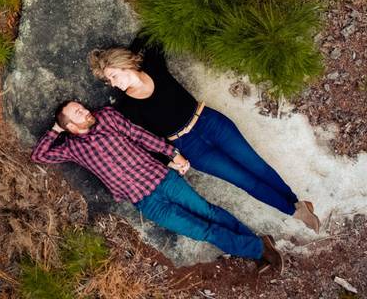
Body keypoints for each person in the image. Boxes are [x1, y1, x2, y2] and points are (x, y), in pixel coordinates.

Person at [89, 42, 320, 232]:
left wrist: (127, 54)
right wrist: (170, 160)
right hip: (189, 146)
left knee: (255, 165)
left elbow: (151, 36)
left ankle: (296, 202)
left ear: (123, 64)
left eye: (114, 76)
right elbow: (143, 142)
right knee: (244, 180)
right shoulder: (128, 107)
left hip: (210, 122)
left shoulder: (153, 65)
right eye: (110, 81)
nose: (114, 84)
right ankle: (295, 211)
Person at [32, 101, 284, 272]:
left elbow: (140, 135)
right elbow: (39, 155)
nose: (85, 111)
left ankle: (259, 249)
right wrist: (56, 128)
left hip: (165, 180)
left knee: (208, 213)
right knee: (199, 230)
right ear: (70, 127)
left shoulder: (107, 117)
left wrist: (173, 153)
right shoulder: (71, 148)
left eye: (82, 107)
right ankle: (259, 246)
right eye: (77, 113)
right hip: (145, 201)